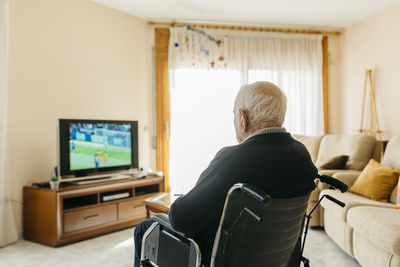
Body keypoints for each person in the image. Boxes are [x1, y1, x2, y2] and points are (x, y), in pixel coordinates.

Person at [133, 81, 317, 266]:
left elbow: (181, 220)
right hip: (276, 259)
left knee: (145, 228)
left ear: (243, 118)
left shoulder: (235, 158)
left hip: (224, 259)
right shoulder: (302, 155)